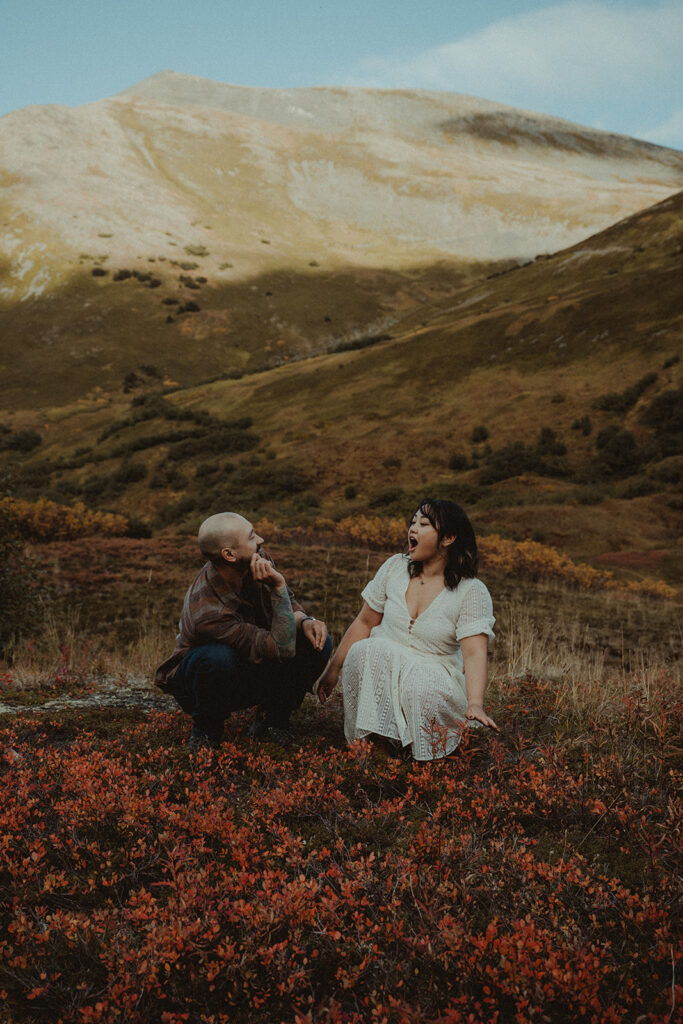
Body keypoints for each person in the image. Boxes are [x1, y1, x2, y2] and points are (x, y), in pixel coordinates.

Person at [317, 498, 498, 761]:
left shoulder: (471, 591)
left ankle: (419, 754)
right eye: (412, 521)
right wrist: (333, 669)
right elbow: (365, 622)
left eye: (423, 524)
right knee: (369, 649)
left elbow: (474, 653)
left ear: (447, 538)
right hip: (383, 664)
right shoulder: (394, 567)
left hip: (432, 674)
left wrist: (475, 704)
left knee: (420, 681)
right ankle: (374, 745)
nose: (412, 529)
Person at [155, 512, 331, 750]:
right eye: (251, 537)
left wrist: (305, 621)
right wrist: (277, 586)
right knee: (216, 658)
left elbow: (287, 606)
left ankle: (272, 721)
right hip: (205, 680)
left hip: (247, 663)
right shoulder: (207, 611)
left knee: (318, 642)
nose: (260, 540)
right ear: (229, 554)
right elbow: (282, 649)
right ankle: (206, 733)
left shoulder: (255, 560)